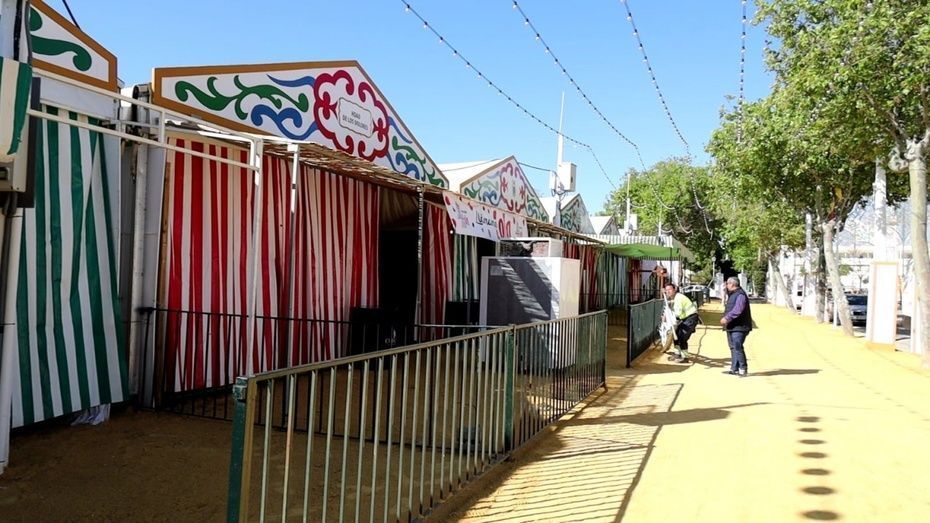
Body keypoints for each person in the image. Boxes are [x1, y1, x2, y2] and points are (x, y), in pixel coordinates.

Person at [720, 276, 753, 377]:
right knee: (733, 347)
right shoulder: (733, 294)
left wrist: (727, 318)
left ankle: (743, 368)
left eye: (727, 284)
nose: (726, 286)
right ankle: (734, 368)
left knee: (737, 347)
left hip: (740, 326)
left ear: (732, 284)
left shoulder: (740, 295)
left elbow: (738, 310)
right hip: (732, 326)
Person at [664, 283, 699, 363]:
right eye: (666, 290)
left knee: (682, 337)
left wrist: (670, 320)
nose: (668, 292)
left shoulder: (679, 298)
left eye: (670, 289)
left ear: (674, 290)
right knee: (676, 334)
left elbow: (677, 314)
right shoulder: (675, 297)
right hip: (685, 318)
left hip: (690, 318)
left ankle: (685, 357)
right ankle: (677, 353)